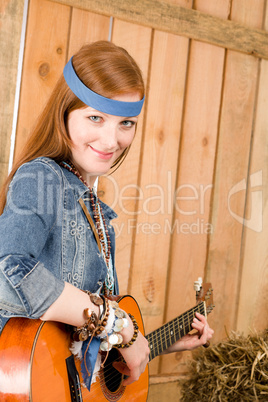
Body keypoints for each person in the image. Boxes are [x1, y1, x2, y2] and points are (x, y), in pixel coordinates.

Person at [0, 41, 213, 388]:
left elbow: (71, 347)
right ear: (64, 112)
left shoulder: (94, 210)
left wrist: (149, 344)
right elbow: (7, 273)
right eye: (95, 117)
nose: (111, 140)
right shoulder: (41, 178)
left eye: (126, 123)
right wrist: (119, 323)